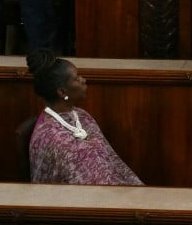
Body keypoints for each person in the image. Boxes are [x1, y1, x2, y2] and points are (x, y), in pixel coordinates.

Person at [26, 50, 144, 185]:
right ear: (62, 92)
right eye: (76, 79)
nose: (83, 80)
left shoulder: (82, 116)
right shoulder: (53, 136)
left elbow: (112, 163)